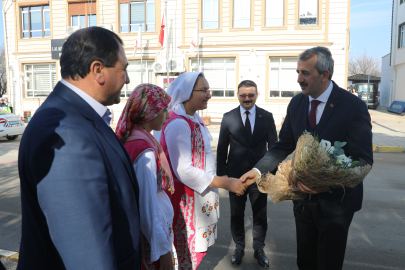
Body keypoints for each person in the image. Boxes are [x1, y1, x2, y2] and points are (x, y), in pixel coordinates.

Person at [17, 27, 141, 270]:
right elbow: (87, 256)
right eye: (123, 69)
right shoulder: (68, 134)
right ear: (98, 70)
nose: (127, 79)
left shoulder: (77, 117)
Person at [242, 47, 373, 270]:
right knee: (305, 262)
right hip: (302, 203)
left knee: (328, 264)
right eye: (298, 72)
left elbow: (362, 160)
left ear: (325, 75)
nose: (299, 79)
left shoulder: (353, 106)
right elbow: (283, 145)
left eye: (305, 73)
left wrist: (327, 186)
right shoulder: (297, 103)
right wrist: (257, 171)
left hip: (336, 206)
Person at [156, 72, 247, 270]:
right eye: (203, 90)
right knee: (184, 253)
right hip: (185, 202)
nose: (208, 94)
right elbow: (184, 171)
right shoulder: (179, 123)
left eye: (209, 90)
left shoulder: (192, 118)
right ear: (187, 92)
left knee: (191, 253)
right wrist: (226, 183)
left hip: (197, 197)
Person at [216, 80, 277, 268]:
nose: (247, 98)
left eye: (251, 95)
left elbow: (274, 148)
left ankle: (259, 249)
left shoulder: (266, 117)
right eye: (243, 95)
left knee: (259, 214)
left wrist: (272, 175)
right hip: (235, 178)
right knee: (237, 214)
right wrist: (223, 176)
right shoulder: (228, 118)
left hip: (259, 176)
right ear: (238, 95)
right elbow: (221, 149)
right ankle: (239, 248)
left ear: (256, 95)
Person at [115, 84, 177, 270]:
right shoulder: (144, 150)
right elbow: (147, 206)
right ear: (149, 111)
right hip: (150, 242)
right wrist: (165, 252)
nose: (167, 115)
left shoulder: (134, 137)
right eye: (163, 109)